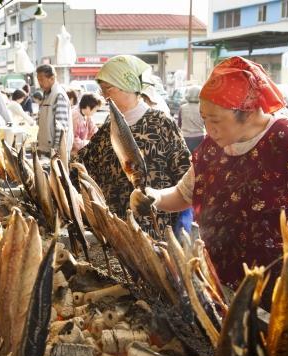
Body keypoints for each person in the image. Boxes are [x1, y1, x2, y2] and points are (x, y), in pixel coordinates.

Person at [131, 56, 288, 309]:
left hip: (276, 289)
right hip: (215, 282)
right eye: (204, 119)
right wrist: (152, 198)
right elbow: (183, 195)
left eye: (215, 120)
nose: (208, 129)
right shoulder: (212, 148)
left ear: (247, 113)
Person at [74, 55, 191, 235]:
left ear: (128, 86)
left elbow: (184, 174)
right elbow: (83, 167)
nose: (104, 95)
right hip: (115, 227)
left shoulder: (161, 123)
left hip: (154, 227)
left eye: (108, 89)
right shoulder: (107, 129)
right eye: (102, 89)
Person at [36, 64, 73, 155]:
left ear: (52, 78)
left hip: (56, 151)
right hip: (46, 148)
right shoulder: (46, 94)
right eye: (38, 80)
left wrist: (56, 149)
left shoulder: (58, 95)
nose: (39, 83)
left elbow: (61, 126)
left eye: (41, 80)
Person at [177, 85, 205, 152]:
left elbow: (179, 125)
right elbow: (206, 124)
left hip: (185, 138)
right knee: (197, 159)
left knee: (187, 160)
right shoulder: (203, 108)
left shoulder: (182, 108)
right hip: (199, 138)